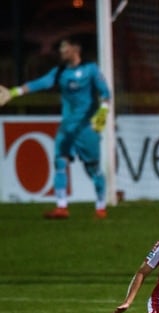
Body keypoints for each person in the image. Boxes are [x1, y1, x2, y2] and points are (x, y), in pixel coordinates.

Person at [0, 35, 111, 219]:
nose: (61, 51)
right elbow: (40, 83)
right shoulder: (60, 72)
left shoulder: (91, 70)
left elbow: (106, 92)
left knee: (93, 169)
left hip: (86, 129)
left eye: (65, 47)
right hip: (67, 128)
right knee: (60, 162)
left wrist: (102, 112)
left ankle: (100, 207)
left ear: (76, 49)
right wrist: (14, 92)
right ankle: (61, 207)